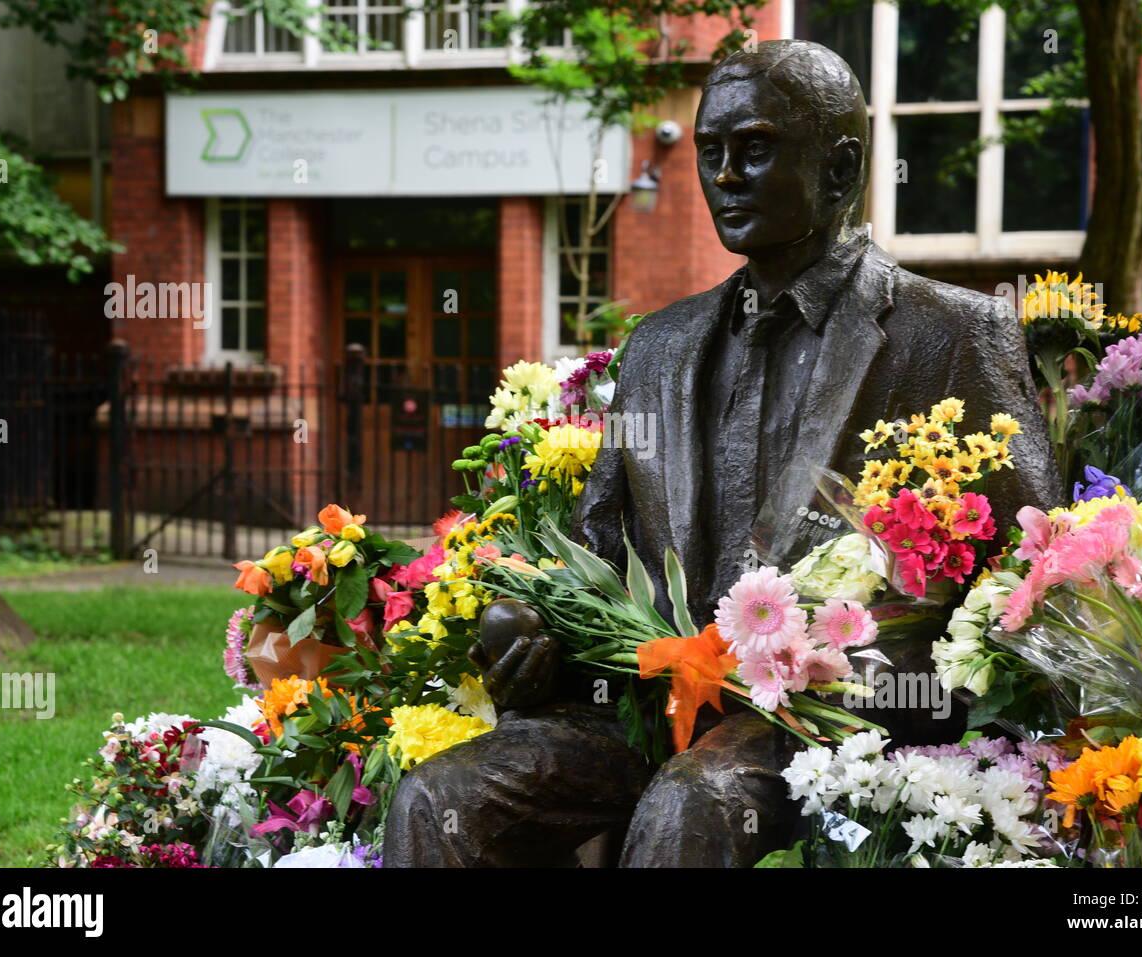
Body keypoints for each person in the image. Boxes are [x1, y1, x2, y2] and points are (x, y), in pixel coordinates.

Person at [381, 39, 1062, 868]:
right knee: (438, 796)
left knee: (694, 801)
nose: (726, 175)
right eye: (711, 151)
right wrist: (530, 623)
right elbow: (599, 545)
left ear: (841, 169)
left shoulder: (950, 333)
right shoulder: (660, 345)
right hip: (649, 699)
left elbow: (1030, 579)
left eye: (757, 147)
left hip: (840, 712)